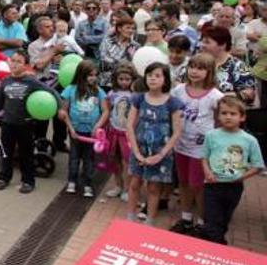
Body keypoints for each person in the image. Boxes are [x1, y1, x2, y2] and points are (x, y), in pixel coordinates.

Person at [168, 53, 224, 235]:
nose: (195, 71)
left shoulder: (215, 96)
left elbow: (219, 121)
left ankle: (202, 222)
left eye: (200, 68)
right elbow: (173, 113)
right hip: (181, 145)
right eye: (192, 67)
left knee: (198, 185)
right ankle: (185, 218)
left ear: (209, 72)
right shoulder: (178, 90)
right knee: (183, 182)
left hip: (201, 150)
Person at [0, 50, 59, 194]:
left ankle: (28, 181)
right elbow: (0, 101)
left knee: (25, 154)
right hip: (8, 123)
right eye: (13, 60)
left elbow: (51, 92)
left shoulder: (31, 81)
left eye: (18, 61)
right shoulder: (6, 81)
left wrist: (61, 107)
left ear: (25, 65)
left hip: (25, 124)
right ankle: (4, 177)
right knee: (6, 152)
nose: (14, 64)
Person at [198, 96, 264, 245]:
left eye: (233, 114)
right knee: (212, 219)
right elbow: (204, 157)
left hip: (233, 186)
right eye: (224, 113)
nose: (228, 117)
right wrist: (207, 172)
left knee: (224, 219)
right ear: (218, 115)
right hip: (212, 184)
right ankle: (214, 245)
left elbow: (258, 165)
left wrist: (241, 177)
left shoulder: (249, 140)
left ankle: (217, 242)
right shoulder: (211, 135)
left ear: (242, 117)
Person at [126, 62, 184, 226]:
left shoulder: (173, 102)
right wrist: (136, 152)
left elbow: (177, 132)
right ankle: (130, 216)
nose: (152, 78)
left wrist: (161, 155)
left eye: (157, 75)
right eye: (149, 75)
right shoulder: (138, 98)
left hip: (160, 153)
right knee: (134, 183)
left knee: (153, 187)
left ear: (165, 80)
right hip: (139, 150)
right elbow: (130, 125)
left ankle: (150, 219)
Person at [60, 61, 109, 198]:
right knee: (74, 158)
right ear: (81, 75)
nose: (93, 78)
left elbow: (105, 111)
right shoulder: (70, 89)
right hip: (75, 132)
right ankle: (72, 180)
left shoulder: (99, 92)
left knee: (89, 159)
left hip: (91, 134)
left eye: (95, 75)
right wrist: (71, 130)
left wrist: (97, 126)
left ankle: (87, 183)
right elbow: (64, 111)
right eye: (89, 75)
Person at [200, 26, 256, 104]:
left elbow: (249, 94)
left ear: (222, 45)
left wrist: (219, 97)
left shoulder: (237, 66)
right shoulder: (198, 63)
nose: (202, 45)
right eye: (202, 42)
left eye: (207, 42)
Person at [104, 64, 136, 201]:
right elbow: (107, 110)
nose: (124, 82)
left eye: (127, 79)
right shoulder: (111, 94)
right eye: (121, 79)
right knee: (114, 159)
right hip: (113, 130)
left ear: (132, 79)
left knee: (127, 161)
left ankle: (127, 189)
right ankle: (118, 185)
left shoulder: (135, 95)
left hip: (127, 134)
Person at [98, 15, 140, 88]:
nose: (131, 31)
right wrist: (126, 63)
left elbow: (135, 66)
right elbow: (104, 62)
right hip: (107, 83)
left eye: (133, 28)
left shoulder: (136, 46)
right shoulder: (107, 42)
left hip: (127, 84)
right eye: (128, 28)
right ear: (119, 28)